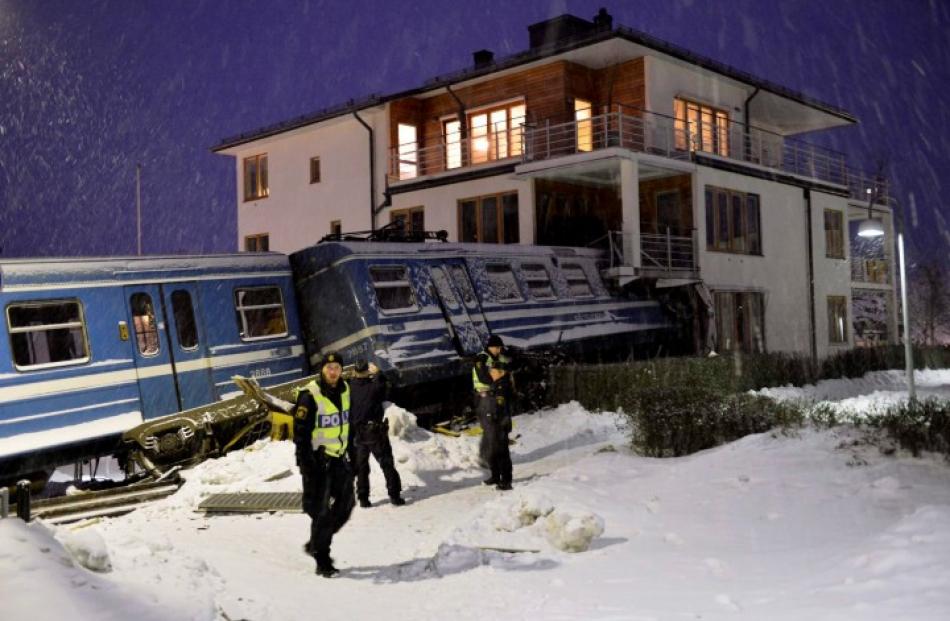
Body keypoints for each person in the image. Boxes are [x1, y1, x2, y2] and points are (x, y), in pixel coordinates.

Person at [293, 351, 356, 577]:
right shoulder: (310, 395)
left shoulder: (346, 390)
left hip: (339, 459)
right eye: (329, 368)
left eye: (337, 368)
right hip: (317, 462)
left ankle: (316, 541)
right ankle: (322, 559)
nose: (333, 372)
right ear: (322, 370)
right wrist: (307, 466)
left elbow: (348, 425)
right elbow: (300, 435)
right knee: (320, 512)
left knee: (346, 504)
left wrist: (353, 456)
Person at [348, 360, 405, 508]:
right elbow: (385, 387)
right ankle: (395, 496)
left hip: (359, 434)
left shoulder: (351, 387)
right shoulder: (374, 387)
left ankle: (363, 499)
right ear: (368, 372)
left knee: (361, 468)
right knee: (386, 464)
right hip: (375, 432)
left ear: (354, 372)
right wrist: (378, 373)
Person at [472, 334, 513, 491]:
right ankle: (495, 475)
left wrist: (499, 376)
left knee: (500, 443)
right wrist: (497, 377)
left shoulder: (501, 358)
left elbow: (507, 372)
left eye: (500, 347)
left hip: (497, 403)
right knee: (491, 442)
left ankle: (506, 480)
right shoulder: (481, 359)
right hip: (485, 403)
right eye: (496, 347)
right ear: (489, 347)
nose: (498, 350)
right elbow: (484, 377)